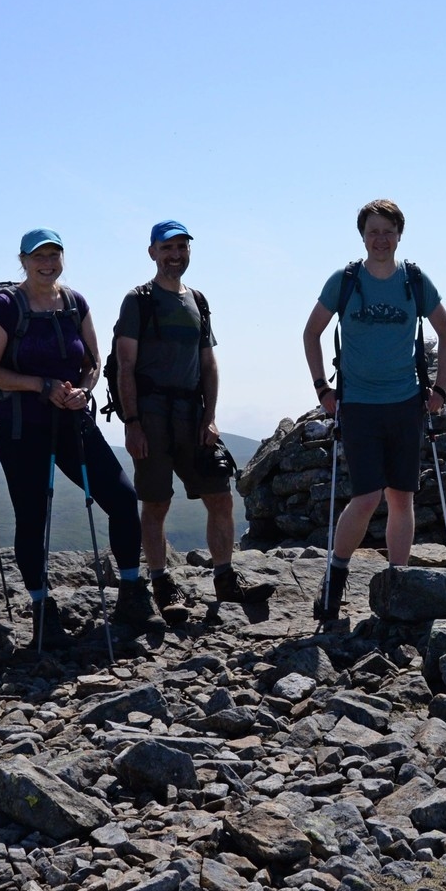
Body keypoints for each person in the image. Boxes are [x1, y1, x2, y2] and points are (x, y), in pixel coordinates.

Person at [0, 228, 147, 647]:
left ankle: (131, 595)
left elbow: (92, 361)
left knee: (122, 498)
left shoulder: (74, 302)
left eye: (53, 255)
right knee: (33, 519)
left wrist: (85, 389)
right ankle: (42, 614)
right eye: (38, 257)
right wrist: (42, 385)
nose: (46, 263)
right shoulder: (4, 307)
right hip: (21, 428)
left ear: (63, 258)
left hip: (73, 422)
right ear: (23, 260)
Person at [301, 199, 446, 622]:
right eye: (373, 231)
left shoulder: (415, 281)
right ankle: (335, 579)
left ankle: (398, 584)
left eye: (388, 231)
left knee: (402, 497)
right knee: (367, 496)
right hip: (360, 405)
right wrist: (322, 389)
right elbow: (311, 332)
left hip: (405, 402)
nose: (380, 239)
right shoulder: (346, 280)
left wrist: (439, 388)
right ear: (363, 236)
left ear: (399, 234)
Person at [114, 220, 270, 624]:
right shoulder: (139, 300)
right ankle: (162, 583)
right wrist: (132, 422)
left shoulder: (197, 300)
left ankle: (225, 578)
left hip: (192, 416)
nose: (176, 255)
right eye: (168, 248)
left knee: (219, 495)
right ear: (152, 252)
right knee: (156, 501)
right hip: (150, 416)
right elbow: (125, 365)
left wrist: (210, 416)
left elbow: (208, 362)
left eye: (182, 247)